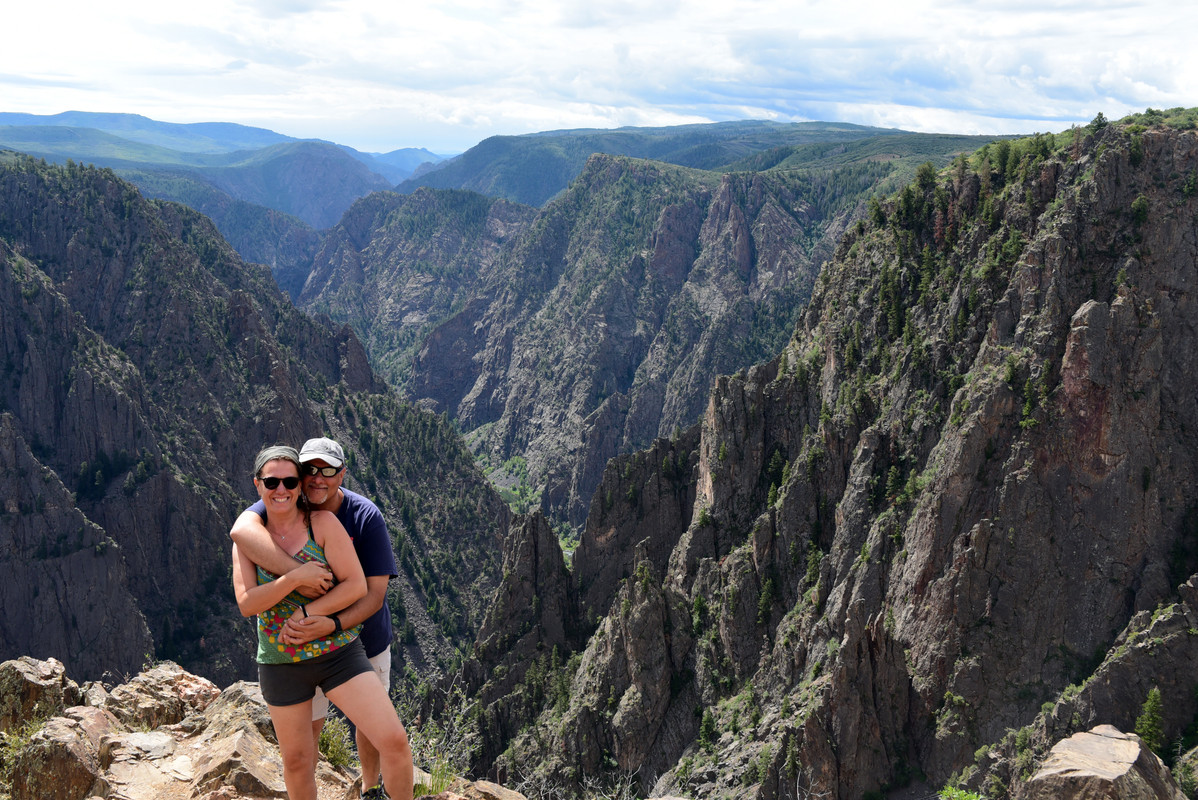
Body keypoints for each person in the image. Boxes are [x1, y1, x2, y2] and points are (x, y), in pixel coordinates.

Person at [231, 445, 413, 800]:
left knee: (393, 741)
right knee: (298, 762)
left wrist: (309, 615)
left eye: (288, 480)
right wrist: (296, 578)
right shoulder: (248, 537)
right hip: (282, 662)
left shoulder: (327, 522)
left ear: (298, 485)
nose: (280, 488)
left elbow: (359, 586)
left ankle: (373, 789)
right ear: (258, 484)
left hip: (338, 653)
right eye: (272, 481)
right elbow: (247, 604)